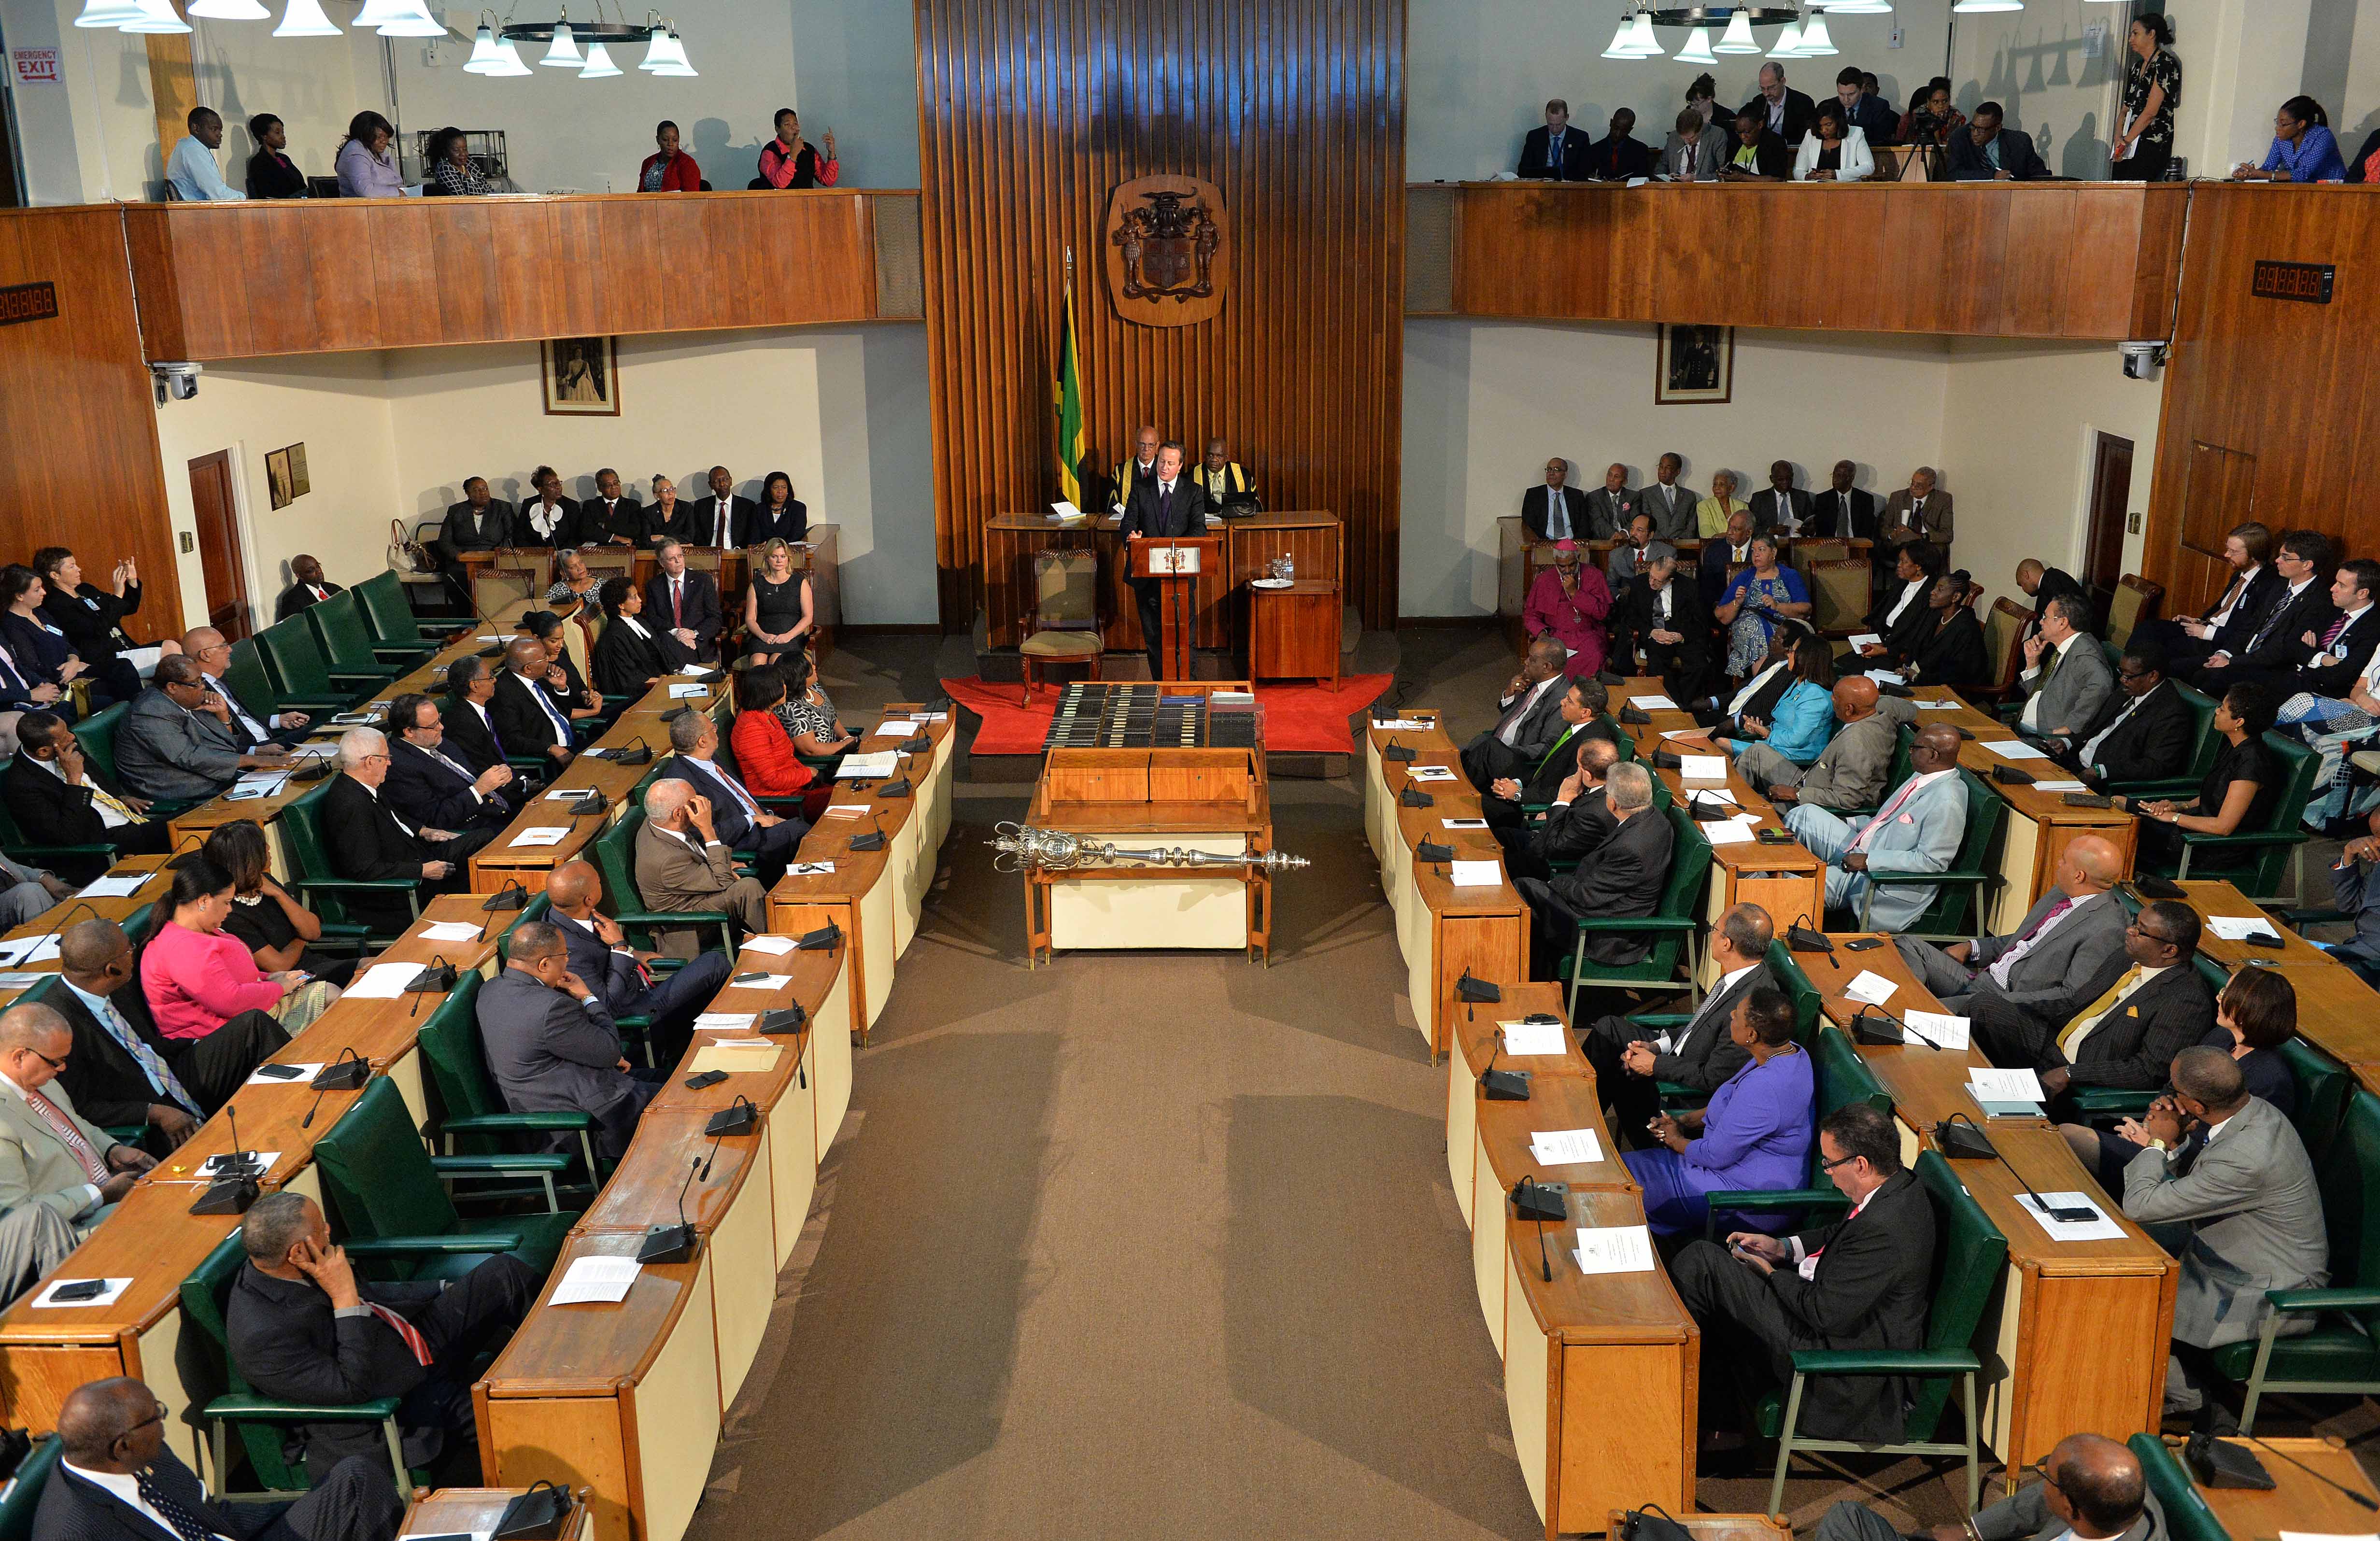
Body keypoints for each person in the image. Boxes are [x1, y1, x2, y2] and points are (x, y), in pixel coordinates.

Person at [226, 1191, 535, 1484]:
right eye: (322, 1228)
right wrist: (344, 1298)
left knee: (504, 1274)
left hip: (407, 1343)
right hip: (395, 1401)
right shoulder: (261, 1336)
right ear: (297, 1252)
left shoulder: (291, 1266)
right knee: (510, 1417)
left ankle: (576, 1369)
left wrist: (443, 1288)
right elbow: (352, 1387)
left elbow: (372, 1296)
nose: (329, 1230)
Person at [1671, 1103, 1934, 1442]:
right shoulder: (1895, 1185)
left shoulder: (1886, 1229)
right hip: (1827, 1325)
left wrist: (1769, 1273)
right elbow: (1839, 1237)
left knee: (1702, 1264)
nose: (1826, 1171)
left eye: (1829, 1163)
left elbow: (1823, 1312)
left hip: (1836, 1366)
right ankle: (1713, 1424)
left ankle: (1679, 1415)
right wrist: (1781, 1248)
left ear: (1861, 1164)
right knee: (1709, 1275)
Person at [2117, 1047, 2326, 1420]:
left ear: (2197, 1106)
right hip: (2235, 1253)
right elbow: (2203, 1187)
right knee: (2118, 1254)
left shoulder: (2248, 1153)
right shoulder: (2255, 1111)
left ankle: (2187, 1396)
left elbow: (2141, 1205)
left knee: (2130, 1287)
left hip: (2273, 1288)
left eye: (2174, 1090)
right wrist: (2180, 1142)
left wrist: (2158, 1142)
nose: (2168, 1096)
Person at [41, 1374, 404, 1541]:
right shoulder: (76, 1530)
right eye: (157, 1416)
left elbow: (216, 1512)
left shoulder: (138, 1455)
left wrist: (305, 1506)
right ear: (123, 1445)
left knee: (354, 1480)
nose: (164, 1423)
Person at [2062, 967, 2303, 1190]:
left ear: (2248, 1008)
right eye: (2223, 991)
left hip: (2188, 1173)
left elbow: (2229, 1151)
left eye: (2228, 994)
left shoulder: (2271, 1080)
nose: (2219, 998)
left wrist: (2159, 1143)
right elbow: (2173, 1087)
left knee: (2069, 1137)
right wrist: (2153, 1119)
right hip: (2159, 1141)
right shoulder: (2220, 1038)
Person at [1969, 900, 2216, 1110]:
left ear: (2169, 950)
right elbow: (2075, 1004)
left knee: (1985, 1097)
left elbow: (2148, 1070)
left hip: (2085, 1073)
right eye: (2134, 923)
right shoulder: (2125, 958)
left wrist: (2071, 1073)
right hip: (2055, 1043)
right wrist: (2019, 1007)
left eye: (2141, 931)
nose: (2130, 932)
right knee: (1984, 1006)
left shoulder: (2186, 999)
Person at [1630, 987, 1813, 1238]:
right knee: (1621, 1170)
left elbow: (1715, 1156)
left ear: (1751, 1034)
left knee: (1622, 1187)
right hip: (1728, 1168)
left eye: (1737, 1015)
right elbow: (1730, 1104)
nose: (1730, 1015)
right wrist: (1683, 1121)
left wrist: (1674, 1141)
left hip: (1748, 1198)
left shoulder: (1765, 1087)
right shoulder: (1789, 1051)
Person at [139, 861, 326, 1100]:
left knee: (329, 993)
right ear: (204, 901)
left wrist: (270, 977)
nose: (230, 910)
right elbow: (229, 1001)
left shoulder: (202, 930)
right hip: (216, 1040)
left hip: (246, 1012)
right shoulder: (181, 947)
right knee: (317, 1006)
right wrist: (278, 987)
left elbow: (231, 977)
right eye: (227, 903)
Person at [1897, 834, 2127, 1027]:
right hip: (1983, 979)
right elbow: (2025, 940)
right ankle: (1914, 1003)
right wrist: (1973, 947)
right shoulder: (2062, 893)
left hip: (2005, 1002)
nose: (2058, 864)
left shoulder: (2106, 928)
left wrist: (2002, 1002)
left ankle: (1913, 1011)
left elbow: (2071, 995)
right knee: (1908, 944)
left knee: (1915, 1019)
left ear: (2079, 876)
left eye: (2064, 861)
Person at [1581, 904, 1772, 1135]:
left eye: (1715, 929)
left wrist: (1654, 1064)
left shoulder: (1748, 1010)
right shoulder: (1740, 976)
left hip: (1678, 1095)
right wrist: (1655, 1046)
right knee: (1608, 1030)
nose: (1711, 934)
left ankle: (1577, 1128)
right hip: (1678, 1055)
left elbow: (1713, 1077)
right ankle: (1579, 1121)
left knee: (1613, 1062)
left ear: (1727, 943)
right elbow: (1700, 1026)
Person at [477, 921, 661, 1161]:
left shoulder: (490, 989)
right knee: (690, 1106)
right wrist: (588, 997)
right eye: (565, 956)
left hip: (560, 1094)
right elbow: (610, 1049)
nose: (568, 962)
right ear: (544, 964)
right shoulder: (551, 1007)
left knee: (670, 1079)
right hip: (579, 1124)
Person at [0, 1003, 155, 1252]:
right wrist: (99, 1195)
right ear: (19, 1056)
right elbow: (21, 1213)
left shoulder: (42, 1081)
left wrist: (112, 1150)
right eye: (56, 1062)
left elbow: (75, 1125)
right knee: (156, 1219)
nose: (62, 1069)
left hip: (110, 1191)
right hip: (73, 1229)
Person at [1811, 1432, 2156, 1541]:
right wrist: (1971, 1531)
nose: (2039, 1480)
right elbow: (2038, 1501)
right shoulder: (2124, 1494)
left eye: (2047, 1475)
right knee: (1848, 1518)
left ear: (2071, 1508)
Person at [1786, 723, 1968, 930]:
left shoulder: (1947, 801)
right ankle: (1791, 869)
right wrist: (1850, 823)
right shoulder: (1922, 776)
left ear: (1933, 756)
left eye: (1915, 748)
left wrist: (1869, 861)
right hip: (1863, 848)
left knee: (1782, 883)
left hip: (1878, 880)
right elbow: (1886, 818)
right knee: (1803, 815)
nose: (1910, 752)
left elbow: (1932, 861)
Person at [544, 861, 730, 1058]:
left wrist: (633, 952)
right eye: (598, 881)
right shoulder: (569, 952)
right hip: (634, 1010)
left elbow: (603, 948)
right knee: (715, 964)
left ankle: (691, 1044)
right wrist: (621, 948)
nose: (602, 881)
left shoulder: (567, 913)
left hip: (638, 987)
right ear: (589, 899)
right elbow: (606, 1007)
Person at [47, 919, 204, 1146]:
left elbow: (150, 1044)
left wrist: (199, 1043)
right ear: (111, 969)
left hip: (171, 1074)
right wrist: (153, 1112)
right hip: (144, 1110)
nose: (133, 953)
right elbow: (81, 1107)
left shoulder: (115, 985)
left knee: (252, 1027)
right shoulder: (58, 1025)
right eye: (130, 949)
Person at [1514, 761, 1671, 977]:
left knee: (1523, 889)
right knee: (1530, 886)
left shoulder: (1631, 848)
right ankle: (1534, 971)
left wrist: (1555, 883)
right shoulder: (1656, 818)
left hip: (1606, 932)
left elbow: (1586, 896)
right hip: (1604, 904)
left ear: (1613, 803)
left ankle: (1526, 975)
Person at [319, 728, 488, 928]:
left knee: (484, 839)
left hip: (416, 858)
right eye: (386, 757)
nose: (390, 762)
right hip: (400, 892)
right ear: (371, 762)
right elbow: (365, 869)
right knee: (480, 862)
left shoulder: (363, 785)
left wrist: (424, 831)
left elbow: (394, 817)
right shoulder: (351, 804)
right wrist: (422, 870)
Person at [2115, 684, 2277, 872]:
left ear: (2239, 722)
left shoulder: (2252, 762)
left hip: (2209, 847)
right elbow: (2216, 795)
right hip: (2193, 827)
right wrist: (2178, 806)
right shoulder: (2235, 746)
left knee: (2125, 826)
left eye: (2222, 709)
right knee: (2121, 804)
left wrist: (2174, 817)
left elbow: (2223, 827)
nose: (2216, 711)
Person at [659, 710, 806, 887]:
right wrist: (751, 820)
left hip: (761, 825)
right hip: (740, 842)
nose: (716, 731)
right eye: (713, 729)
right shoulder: (683, 783)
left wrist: (766, 816)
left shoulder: (711, 759)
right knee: (798, 831)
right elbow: (698, 834)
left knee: (806, 832)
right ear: (702, 741)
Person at [205, 820, 359, 989]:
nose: (269, 849)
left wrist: (280, 895)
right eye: (264, 846)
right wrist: (300, 939)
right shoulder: (230, 913)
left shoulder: (266, 884)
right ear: (249, 857)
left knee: (378, 967)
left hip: (317, 963)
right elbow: (279, 965)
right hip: (291, 981)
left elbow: (314, 932)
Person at [114, 656, 287, 803]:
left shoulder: (185, 700)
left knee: (285, 781)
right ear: (173, 687)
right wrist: (251, 760)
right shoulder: (151, 711)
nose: (203, 687)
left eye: (202, 680)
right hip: (175, 787)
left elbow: (221, 747)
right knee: (276, 794)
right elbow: (188, 757)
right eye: (196, 683)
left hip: (204, 775)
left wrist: (223, 716)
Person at [4, 710, 164, 855]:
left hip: (132, 822)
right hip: (102, 844)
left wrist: (119, 796)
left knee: (184, 822)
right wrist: (74, 781)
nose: (72, 737)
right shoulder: (22, 785)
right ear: (44, 751)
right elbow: (66, 836)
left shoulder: (68, 747)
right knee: (178, 830)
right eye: (65, 736)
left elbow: (100, 778)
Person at [634, 779, 768, 952]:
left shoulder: (658, 820)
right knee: (747, 888)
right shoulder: (667, 860)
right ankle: (780, 942)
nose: (702, 805)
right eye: (694, 802)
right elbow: (723, 883)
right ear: (678, 814)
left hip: (696, 892)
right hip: (691, 923)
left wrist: (724, 865)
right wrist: (708, 830)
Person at [2196, 528, 2332, 686]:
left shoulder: (2320, 601)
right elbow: (2251, 624)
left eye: (2285, 558)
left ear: (2307, 565)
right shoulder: (2279, 583)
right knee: (2186, 668)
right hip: (2242, 656)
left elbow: (2282, 650)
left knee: (2208, 678)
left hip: (2269, 670)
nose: (2277, 561)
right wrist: (2225, 654)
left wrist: (2233, 663)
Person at [1118, 441, 1207, 679]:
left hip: (1181, 576)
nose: (1163, 467)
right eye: (1161, 462)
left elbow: (1199, 529)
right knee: (1154, 638)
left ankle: (1189, 688)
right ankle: (1161, 686)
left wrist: (1175, 548)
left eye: (1170, 463)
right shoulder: (1141, 488)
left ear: (1180, 466)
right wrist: (1131, 535)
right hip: (1147, 577)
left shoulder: (1193, 491)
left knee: (1184, 637)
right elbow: (1128, 522)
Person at [385, 691, 520, 833]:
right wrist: (479, 789)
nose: (441, 727)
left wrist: (499, 777)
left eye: (439, 720)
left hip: (502, 809)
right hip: (478, 829)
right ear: (409, 732)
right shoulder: (399, 767)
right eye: (433, 725)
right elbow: (435, 819)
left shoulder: (439, 742)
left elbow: (472, 774)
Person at [2156, 522, 2279, 674]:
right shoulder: (2238, 575)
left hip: (2219, 642)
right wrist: (2198, 620)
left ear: (2254, 555)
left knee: (2161, 657)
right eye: (2228, 549)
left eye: (2233, 552)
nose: (2227, 555)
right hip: (2203, 628)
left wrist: (2207, 632)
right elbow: (2223, 609)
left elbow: (2249, 630)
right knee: (2149, 630)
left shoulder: (2268, 584)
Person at [1498, 734, 1621, 883]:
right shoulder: (1605, 787)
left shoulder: (1594, 814)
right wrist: (1555, 810)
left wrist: (1562, 800)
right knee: (1500, 834)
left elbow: (1552, 848)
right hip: (1550, 836)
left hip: (1550, 860)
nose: (1576, 771)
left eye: (1579, 766)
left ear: (1588, 776)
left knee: (1499, 861)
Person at [35, 548, 150, 706]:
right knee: (170, 651)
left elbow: (127, 608)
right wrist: (117, 594)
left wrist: (132, 582)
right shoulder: (56, 604)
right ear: (54, 575)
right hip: (105, 656)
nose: (79, 569)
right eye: (72, 567)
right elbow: (98, 630)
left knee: (171, 648)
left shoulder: (85, 590)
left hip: (126, 646)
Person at [1717, 634, 1834, 783]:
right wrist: (1762, 729)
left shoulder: (1815, 695)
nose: (1788, 654)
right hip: (1778, 747)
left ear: (1805, 657)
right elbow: (1784, 725)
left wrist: (1767, 733)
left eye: (1792, 650)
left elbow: (1796, 740)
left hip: (1797, 757)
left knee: (1722, 745)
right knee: (1721, 746)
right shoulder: (1799, 683)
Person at [2069, 646, 2193, 785]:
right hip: (2074, 761)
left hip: (2103, 781)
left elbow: (2156, 766)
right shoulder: (2129, 688)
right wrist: (2067, 743)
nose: (2122, 680)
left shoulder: (2171, 712)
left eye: (2128, 676)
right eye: (2121, 673)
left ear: (2153, 676)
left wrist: (2102, 771)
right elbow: (2096, 728)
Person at [1609, 543, 1714, 702]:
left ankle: (1681, 703)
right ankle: (1673, 703)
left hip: (1680, 633)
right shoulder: (1639, 584)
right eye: (1651, 576)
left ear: (1670, 580)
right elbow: (1630, 617)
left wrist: (1681, 636)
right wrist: (1651, 632)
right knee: (1657, 665)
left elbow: (1700, 620)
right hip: (1654, 631)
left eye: (1657, 581)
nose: (1651, 582)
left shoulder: (1690, 587)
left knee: (1700, 666)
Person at [1461, 637, 1570, 789]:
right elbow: (1513, 717)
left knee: (1483, 748)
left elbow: (1548, 747)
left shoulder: (1561, 699)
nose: (1525, 662)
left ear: (1546, 667)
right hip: (1497, 748)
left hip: (1522, 763)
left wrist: (1506, 751)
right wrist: (1510, 693)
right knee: (1463, 752)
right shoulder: (1535, 683)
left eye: (1531, 660)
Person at [2016, 593, 2116, 756]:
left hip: (2044, 740)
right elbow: (2041, 695)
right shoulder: (2066, 647)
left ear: (2062, 623)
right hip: (2023, 730)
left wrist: (2072, 726)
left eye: (2045, 617)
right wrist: (2033, 662)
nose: (2041, 622)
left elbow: (2102, 685)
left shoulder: (2084, 653)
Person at [182, 626, 310, 746]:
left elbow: (242, 719)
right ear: (206, 655)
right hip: (256, 751)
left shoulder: (220, 678)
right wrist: (255, 752)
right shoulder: (198, 693)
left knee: (320, 729)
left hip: (270, 738)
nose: (230, 650)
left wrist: (279, 720)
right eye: (223, 646)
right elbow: (220, 742)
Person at [1, 567, 106, 713]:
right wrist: (68, 670)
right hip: (60, 679)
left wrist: (74, 661)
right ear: (20, 596)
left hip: (75, 668)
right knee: (111, 689)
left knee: (122, 668)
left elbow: (67, 644)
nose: (44, 592)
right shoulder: (12, 626)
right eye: (37, 590)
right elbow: (33, 665)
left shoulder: (41, 613)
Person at [1715, 535, 1811, 682]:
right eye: (1753, 551)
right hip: (1749, 628)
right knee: (1754, 628)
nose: (1756, 555)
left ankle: (1770, 686)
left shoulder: (1790, 575)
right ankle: (1765, 685)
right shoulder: (1744, 577)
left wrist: (1778, 606)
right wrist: (1737, 602)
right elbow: (1721, 615)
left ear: (1773, 553)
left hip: (1781, 624)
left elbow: (1806, 609)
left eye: (1761, 550)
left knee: (1781, 636)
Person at [727, 667, 819, 804]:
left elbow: (788, 758)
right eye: (781, 684)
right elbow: (772, 780)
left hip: (797, 789)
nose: (785, 687)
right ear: (769, 691)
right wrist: (808, 773)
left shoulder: (767, 716)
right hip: (783, 801)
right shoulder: (751, 729)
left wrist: (805, 773)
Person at [1522, 541, 1611, 680]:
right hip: (1555, 636)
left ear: (1578, 558)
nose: (1567, 570)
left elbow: (1603, 613)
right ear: (1555, 562)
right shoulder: (1544, 580)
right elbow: (1530, 616)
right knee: (1550, 661)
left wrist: (1575, 593)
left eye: (1572, 565)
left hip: (1587, 635)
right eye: (1562, 566)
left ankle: (1589, 698)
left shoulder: (1595, 576)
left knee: (1594, 656)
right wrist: (1542, 633)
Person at [2112, 14, 2181, 183]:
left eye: (2135, 34)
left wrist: (2126, 141)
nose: (2131, 39)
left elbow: (2151, 112)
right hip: (2129, 143)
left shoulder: (2164, 63)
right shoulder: (2137, 67)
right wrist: (2118, 139)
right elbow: (2125, 109)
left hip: (2151, 141)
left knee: (2136, 189)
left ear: (2152, 34)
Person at [1852, 542, 1944, 667]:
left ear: (1918, 566)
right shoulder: (1901, 584)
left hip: (1898, 656)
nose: (1899, 565)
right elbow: (1881, 617)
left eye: (1904, 562)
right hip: (1881, 644)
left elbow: (1918, 637)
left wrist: (1884, 650)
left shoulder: (1931, 595)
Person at [491, 637, 579, 768]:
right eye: (544, 658)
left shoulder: (541, 677)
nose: (548, 660)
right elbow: (511, 740)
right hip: (553, 758)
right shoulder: (503, 694)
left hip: (575, 742)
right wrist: (550, 748)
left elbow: (565, 714)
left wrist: (561, 688)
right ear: (528, 668)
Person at [1902, 570, 1987, 690]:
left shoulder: (1966, 628)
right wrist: (1906, 668)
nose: (1932, 592)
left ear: (1956, 597)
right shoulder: (1936, 615)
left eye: (1940, 590)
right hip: (1921, 682)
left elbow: (1957, 673)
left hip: (1947, 692)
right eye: (1935, 588)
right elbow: (1918, 646)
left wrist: (1918, 677)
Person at [517, 609, 603, 726]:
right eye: (554, 641)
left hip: (589, 711)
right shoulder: (538, 669)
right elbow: (559, 712)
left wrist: (589, 696)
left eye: (562, 638)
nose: (560, 645)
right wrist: (593, 711)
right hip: (581, 722)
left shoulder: (562, 653)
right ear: (537, 639)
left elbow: (579, 685)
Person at [645, 541, 724, 667]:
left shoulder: (703, 581)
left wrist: (694, 633)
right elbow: (653, 619)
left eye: (680, 556)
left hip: (698, 642)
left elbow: (715, 618)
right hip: (669, 640)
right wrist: (677, 632)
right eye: (672, 558)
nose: (678, 561)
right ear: (662, 563)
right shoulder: (654, 586)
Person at [591, 576, 672, 698]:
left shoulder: (638, 620)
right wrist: (665, 682)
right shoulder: (614, 638)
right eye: (634, 598)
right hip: (645, 694)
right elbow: (630, 679)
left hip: (662, 681)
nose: (640, 600)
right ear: (621, 605)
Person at [774, 650, 858, 765]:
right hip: (824, 764)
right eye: (810, 666)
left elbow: (832, 719)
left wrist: (850, 741)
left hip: (841, 752)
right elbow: (811, 750)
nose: (814, 667)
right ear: (800, 674)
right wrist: (844, 745)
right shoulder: (790, 709)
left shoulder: (814, 687)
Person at [2325, 808, 2380, 984]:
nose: (2376, 843)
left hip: (2372, 965)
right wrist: (2349, 853)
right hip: (2353, 953)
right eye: (2375, 835)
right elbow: (2349, 904)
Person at [744, 538, 814, 664]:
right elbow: (750, 619)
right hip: (763, 637)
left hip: (791, 636)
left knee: (776, 660)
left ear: (788, 559)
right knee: (758, 661)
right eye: (774, 556)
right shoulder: (757, 584)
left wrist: (788, 636)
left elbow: (808, 617)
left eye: (783, 556)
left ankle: (780, 685)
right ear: (767, 559)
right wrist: (763, 636)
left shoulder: (800, 582)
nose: (779, 560)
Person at [1948, 100, 2051, 181]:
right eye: (1973, 127)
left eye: (1981, 129)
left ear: (1997, 128)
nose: (1975, 133)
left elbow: (2039, 175)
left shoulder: (2019, 142)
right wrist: (1992, 176)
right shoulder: (1960, 138)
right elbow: (1954, 175)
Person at [437, 654, 506, 773]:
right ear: (474, 686)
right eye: (490, 677)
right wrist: (523, 784)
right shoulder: (462, 724)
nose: (495, 680)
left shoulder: (479, 710)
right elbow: (481, 768)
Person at [166, 106, 244, 202]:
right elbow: (218, 195)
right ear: (196, 128)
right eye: (214, 129)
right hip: (200, 214)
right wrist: (244, 197)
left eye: (220, 130)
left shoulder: (188, 146)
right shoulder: (193, 150)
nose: (220, 134)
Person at [438, 477, 513, 571]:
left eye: (485, 489)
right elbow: (444, 541)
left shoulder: (502, 508)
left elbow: (511, 536)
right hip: (464, 562)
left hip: (496, 559)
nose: (483, 493)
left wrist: (498, 555)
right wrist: (458, 556)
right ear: (468, 494)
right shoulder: (456, 511)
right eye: (477, 490)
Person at [1879, 467, 1953, 560]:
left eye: (1919, 486)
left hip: (1927, 544)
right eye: (1912, 483)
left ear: (1930, 487)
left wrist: (1921, 537)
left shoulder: (1943, 500)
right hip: (1902, 543)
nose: (1913, 488)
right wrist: (1893, 534)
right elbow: (1884, 529)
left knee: (1923, 556)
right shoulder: (1898, 497)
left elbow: (1947, 535)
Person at [2013, 557, 2091, 647]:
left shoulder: (2050, 584)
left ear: (2026, 575)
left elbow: (2056, 627)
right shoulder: (2054, 578)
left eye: (2022, 585)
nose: (2024, 590)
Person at [755, 107, 838, 188]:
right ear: (777, 129)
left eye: (795, 124)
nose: (793, 128)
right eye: (788, 124)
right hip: (779, 201)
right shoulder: (770, 152)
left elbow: (828, 181)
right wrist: (793, 154)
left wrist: (831, 153)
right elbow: (780, 183)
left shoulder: (809, 149)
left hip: (807, 201)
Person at [1793, 100, 1873, 182]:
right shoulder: (1810, 136)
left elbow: (1868, 167)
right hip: (1816, 191)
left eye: (1828, 125)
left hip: (1846, 191)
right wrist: (1807, 176)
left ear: (1839, 122)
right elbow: (1798, 171)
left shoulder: (1856, 134)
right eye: (1820, 126)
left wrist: (1838, 174)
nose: (1824, 130)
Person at [1742, 61, 1817, 145]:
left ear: (1783, 81)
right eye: (1763, 88)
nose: (1766, 94)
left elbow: (1807, 137)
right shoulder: (1758, 102)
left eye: (1771, 88)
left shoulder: (1803, 103)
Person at [334, 110, 403, 198]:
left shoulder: (379, 152)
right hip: (363, 210)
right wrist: (397, 193)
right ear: (365, 135)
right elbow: (366, 191)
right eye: (379, 137)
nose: (384, 141)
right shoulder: (355, 154)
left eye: (386, 137)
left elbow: (398, 184)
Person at [1517, 99, 1590, 181]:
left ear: (1567, 117)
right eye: (1551, 124)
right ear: (1546, 117)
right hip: (1542, 188)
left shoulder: (1580, 138)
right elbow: (1522, 171)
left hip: (1570, 188)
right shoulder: (1535, 137)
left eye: (1559, 124)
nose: (1554, 129)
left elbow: (1585, 171)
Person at [1519, 458, 1588, 544]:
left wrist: (1574, 544)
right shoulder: (1533, 495)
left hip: (1573, 546)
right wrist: (1547, 544)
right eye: (1549, 469)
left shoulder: (1576, 496)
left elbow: (1584, 526)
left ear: (1565, 474)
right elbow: (1529, 525)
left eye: (1556, 470)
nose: (1551, 473)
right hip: (1544, 545)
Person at [514, 466, 586, 548]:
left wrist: (560, 554)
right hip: (534, 556)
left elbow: (576, 537)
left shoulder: (571, 506)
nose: (559, 487)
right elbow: (520, 535)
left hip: (563, 555)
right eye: (553, 484)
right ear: (541, 489)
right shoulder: (529, 504)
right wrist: (532, 554)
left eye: (559, 483)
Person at [678, 467, 747, 549]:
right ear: (711, 485)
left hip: (736, 552)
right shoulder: (701, 506)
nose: (722, 484)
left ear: (731, 481)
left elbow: (751, 534)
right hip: (708, 552)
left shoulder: (746, 506)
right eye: (716, 481)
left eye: (725, 479)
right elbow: (696, 534)